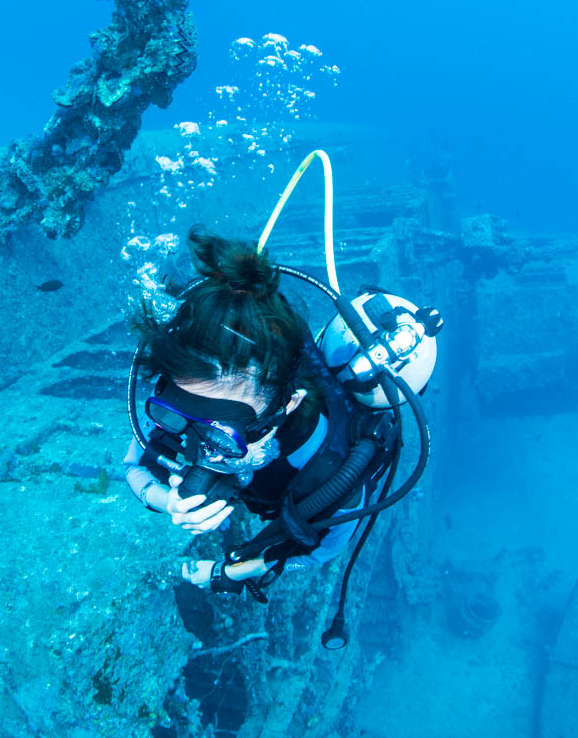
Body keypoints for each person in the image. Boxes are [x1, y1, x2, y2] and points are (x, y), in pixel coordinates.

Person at [124, 225, 438, 611]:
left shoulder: (333, 473)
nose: (199, 448)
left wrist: (227, 572)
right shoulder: (184, 404)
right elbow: (133, 464)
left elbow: (320, 553)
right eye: (174, 416)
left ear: (287, 407)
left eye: (222, 437)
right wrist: (166, 500)